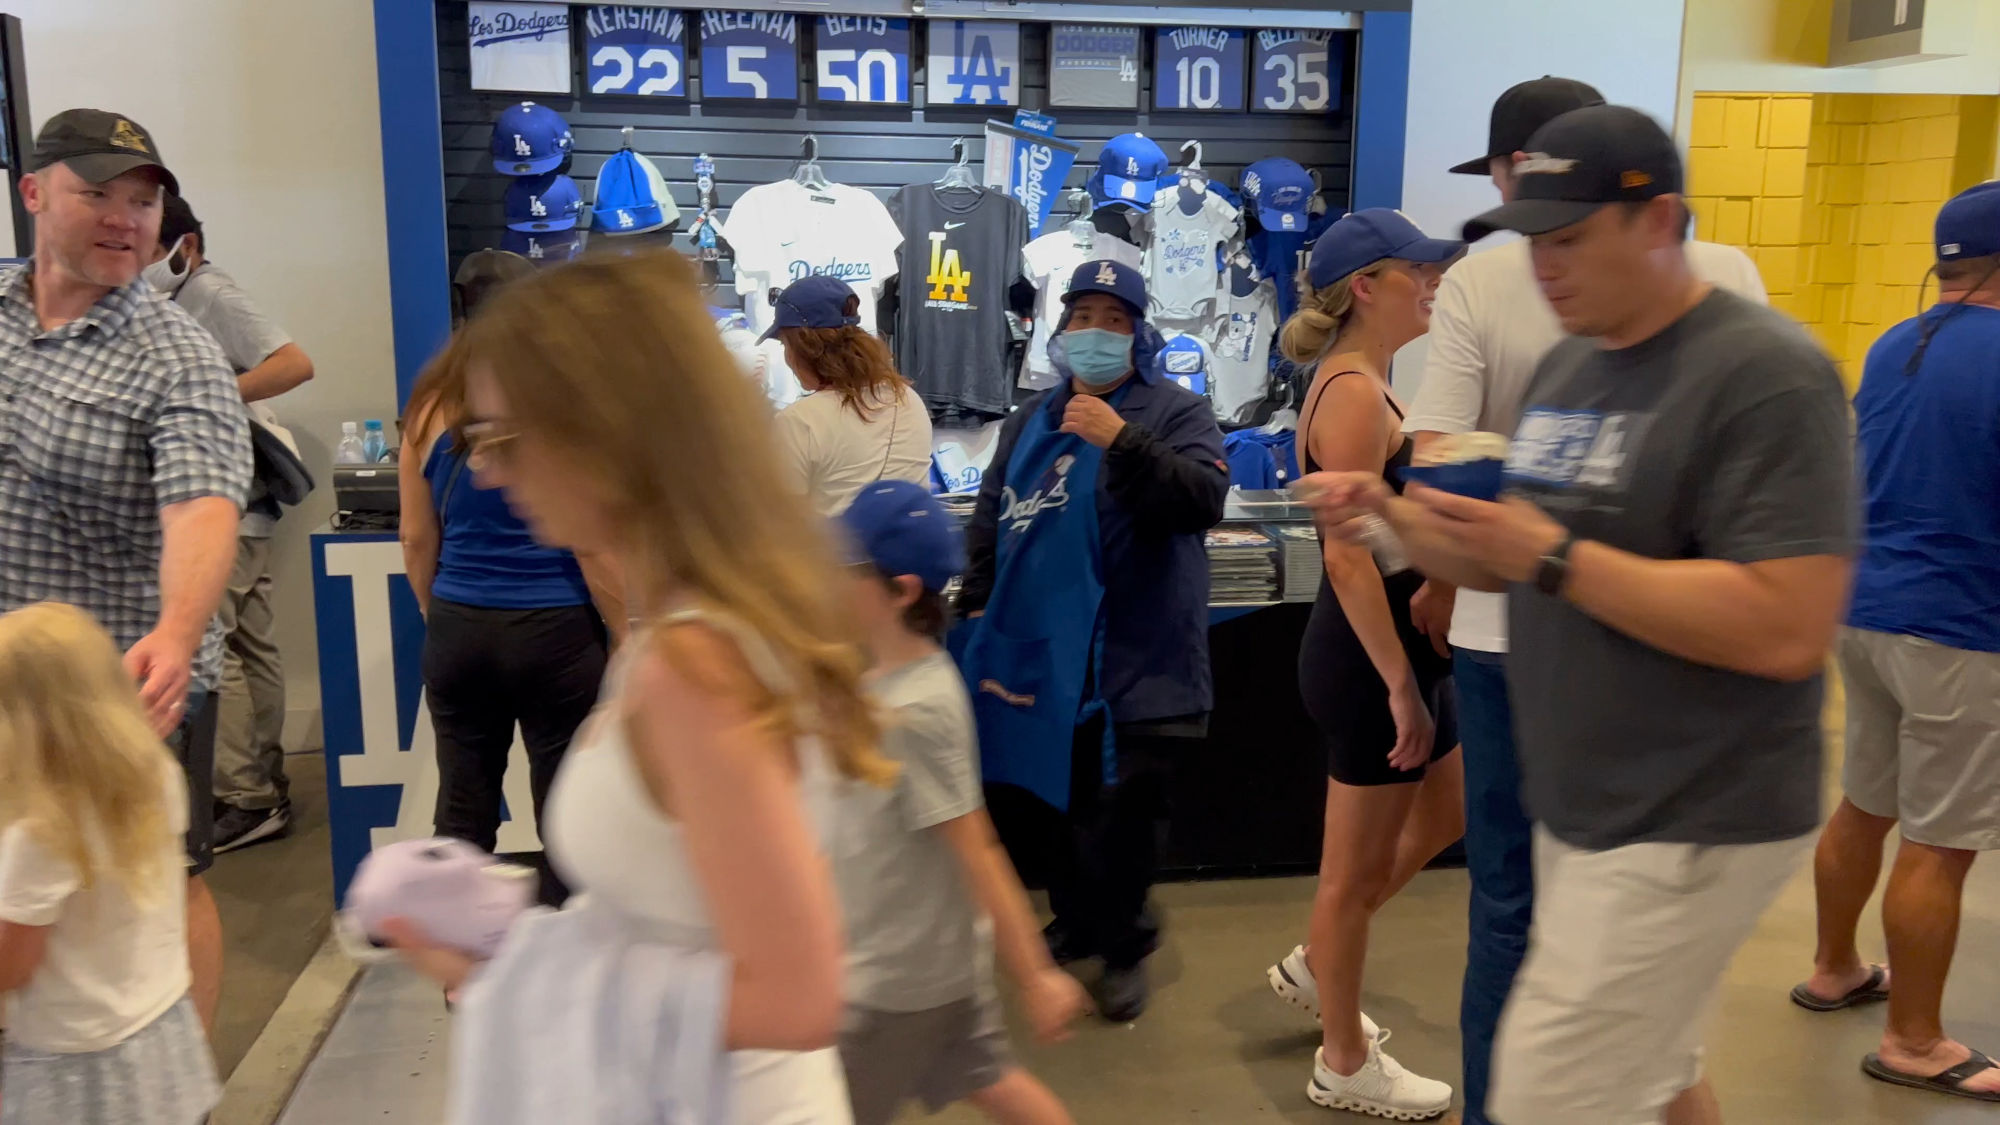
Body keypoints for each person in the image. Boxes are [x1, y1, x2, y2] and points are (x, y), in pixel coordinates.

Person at [1302, 104, 1853, 1125]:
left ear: (1657, 223)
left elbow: (1785, 623)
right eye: (1529, 240)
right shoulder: (1572, 369)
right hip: (1588, 800)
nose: (1540, 267)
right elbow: (1497, 555)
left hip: (1688, 813)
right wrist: (1386, 520)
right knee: (1654, 1076)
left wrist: (1553, 556)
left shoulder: (1762, 374)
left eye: (1565, 240)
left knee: (1539, 1093)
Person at [384, 249, 889, 1123]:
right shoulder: (691, 628)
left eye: (506, 441)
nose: (492, 473)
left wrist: (520, 973)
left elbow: (800, 993)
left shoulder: (699, 668)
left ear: (606, 433)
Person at [1400, 76, 1768, 1125]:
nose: (1541, 246)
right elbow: (1436, 471)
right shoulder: (1694, 283)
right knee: (1596, 928)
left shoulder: (1498, 283)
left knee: (1551, 918)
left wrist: (1503, 538)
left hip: (1590, 642)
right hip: (1571, 635)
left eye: (1546, 198)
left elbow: (1441, 457)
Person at [2, 108, 251, 1034]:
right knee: (26, 877)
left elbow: (202, 503)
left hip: (129, 683)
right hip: (10, 679)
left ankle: (175, 1087)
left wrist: (178, 635)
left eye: (142, 201)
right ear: (34, 193)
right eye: (97, 194)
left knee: (158, 886)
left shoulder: (177, 354)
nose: (123, 218)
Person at [958, 259, 1227, 1023]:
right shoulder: (1030, 420)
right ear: (1061, 329)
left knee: (1126, 819)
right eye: (1083, 316)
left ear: (1139, 333)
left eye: (1115, 318)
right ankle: (1077, 919)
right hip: (1045, 662)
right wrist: (979, 612)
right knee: (1058, 807)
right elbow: (992, 518)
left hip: (1140, 663)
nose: (1097, 333)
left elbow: (1203, 499)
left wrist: (1124, 441)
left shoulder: (1175, 411)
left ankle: (1124, 946)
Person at [1793, 181, 2000, 1104]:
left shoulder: (1893, 344)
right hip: (1962, 624)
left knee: (1866, 801)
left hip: (1867, 608)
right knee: (1941, 842)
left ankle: (1835, 965)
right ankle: (1915, 1038)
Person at [1260, 211, 1464, 1120]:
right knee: (1349, 874)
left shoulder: (1372, 383)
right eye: (1416, 271)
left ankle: (1317, 962)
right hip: (1365, 656)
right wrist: (1397, 685)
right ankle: (1344, 1058)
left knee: (1448, 806)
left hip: (1401, 646)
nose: (1433, 284)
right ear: (1368, 288)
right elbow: (1346, 556)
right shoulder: (1348, 390)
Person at [831, 480, 1087, 1125]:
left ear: (902, 590)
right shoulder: (888, 672)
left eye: (845, 568)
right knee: (993, 1080)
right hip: (933, 959)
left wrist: (1034, 976)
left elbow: (976, 848)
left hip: (892, 982)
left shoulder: (916, 712)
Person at [398, 264, 625, 908]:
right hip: (556, 627)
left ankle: (461, 972)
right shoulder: (561, 400)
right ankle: (560, 964)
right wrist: (626, 633)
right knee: (563, 807)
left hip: (458, 622)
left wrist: (437, 610)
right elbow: (591, 540)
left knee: (462, 807)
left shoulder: (428, 400)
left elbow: (416, 537)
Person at [0, 603, 222, 1125]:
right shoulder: (156, 777)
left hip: (76, 1060)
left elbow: (12, 964)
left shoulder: (41, 830)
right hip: (164, 1033)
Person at [146, 191, 316, 854]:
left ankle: (247, 795)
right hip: (233, 500)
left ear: (185, 245)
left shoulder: (209, 292)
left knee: (219, 646)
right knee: (248, 643)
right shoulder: (175, 301)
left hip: (226, 499)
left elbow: (294, 362)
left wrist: (206, 392)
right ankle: (260, 785)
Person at [770, 275, 933, 517]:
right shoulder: (908, 398)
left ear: (804, 347)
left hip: (834, 554)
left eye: (785, 344)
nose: (787, 357)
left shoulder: (800, 420)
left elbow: (781, 518)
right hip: (914, 551)